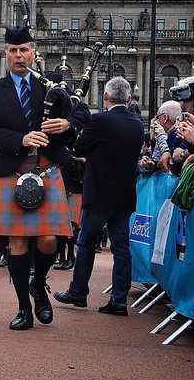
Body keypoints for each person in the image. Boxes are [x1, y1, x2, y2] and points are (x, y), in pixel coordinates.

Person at [0, 25, 91, 330]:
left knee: (48, 239)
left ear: (33, 52)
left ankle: (38, 284)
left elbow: (84, 115)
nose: (18, 55)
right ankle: (23, 308)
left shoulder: (51, 84)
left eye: (24, 49)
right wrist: (21, 140)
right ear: (5, 54)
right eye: (13, 50)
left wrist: (66, 123)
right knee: (16, 241)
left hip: (48, 169)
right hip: (12, 170)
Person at [54, 77, 144, 316]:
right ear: (128, 98)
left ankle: (78, 291)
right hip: (125, 194)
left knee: (85, 241)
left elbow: (78, 148)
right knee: (121, 248)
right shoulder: (137, 124)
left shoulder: (100, 120)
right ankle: (119, 300)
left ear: (105, 96)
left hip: (99, 193)